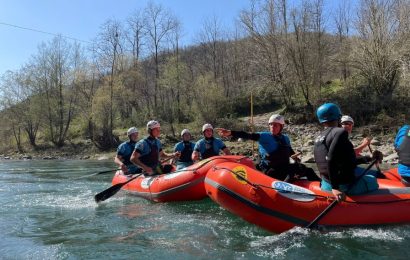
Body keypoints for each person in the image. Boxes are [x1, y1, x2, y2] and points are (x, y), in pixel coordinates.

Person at [217, 114, 320, 181]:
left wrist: (296, 158)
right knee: (294, 170)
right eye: (271, 125)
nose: (272, 127)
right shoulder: (264, 136)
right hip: (270, 170)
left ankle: (324, 189)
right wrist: (231, 133)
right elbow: (247, 135)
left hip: (283, 168)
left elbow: (290, 152)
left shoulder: (285, 138)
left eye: (276, 125)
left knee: (308, 170)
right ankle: (283, 190)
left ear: (281, 127)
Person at [314, 103, 378, 201]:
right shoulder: (340, 132)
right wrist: (335, 188)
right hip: (343, 186)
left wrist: (368, 158)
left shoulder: (319, 136)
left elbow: (344, 159)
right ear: (339, 117)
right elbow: (331, 158)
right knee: (372, 180)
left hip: (325, 183)